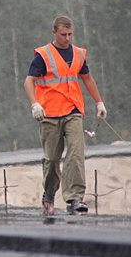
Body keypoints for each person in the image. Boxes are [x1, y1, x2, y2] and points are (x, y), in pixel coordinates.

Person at [24, 16, 107, 216]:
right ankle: (49, 194)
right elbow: (29, 81)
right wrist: (34, 104)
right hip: (49, 114)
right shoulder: (43, 55)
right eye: (63, 35)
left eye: (70, 34)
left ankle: (74, 198)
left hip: (73, 111)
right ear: (54, 32)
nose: (67, 38)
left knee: (76, 153)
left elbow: (86, 77)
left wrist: (99, 102)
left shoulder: (78, 54)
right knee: (52, 159)